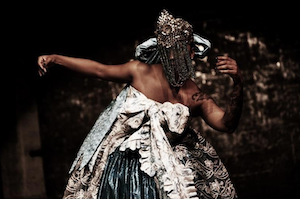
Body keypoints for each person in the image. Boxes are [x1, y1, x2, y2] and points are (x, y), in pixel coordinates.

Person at [38, 10, 242, 199]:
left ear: (191, 54)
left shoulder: (194, 96)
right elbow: (100, 70)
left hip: (171, 172)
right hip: (123, 169)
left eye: (183, 50)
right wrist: (56, 59)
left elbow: (226, 124)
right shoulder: (139, 71)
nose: (176, 56)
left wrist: (238, 83)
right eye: (170, 50)